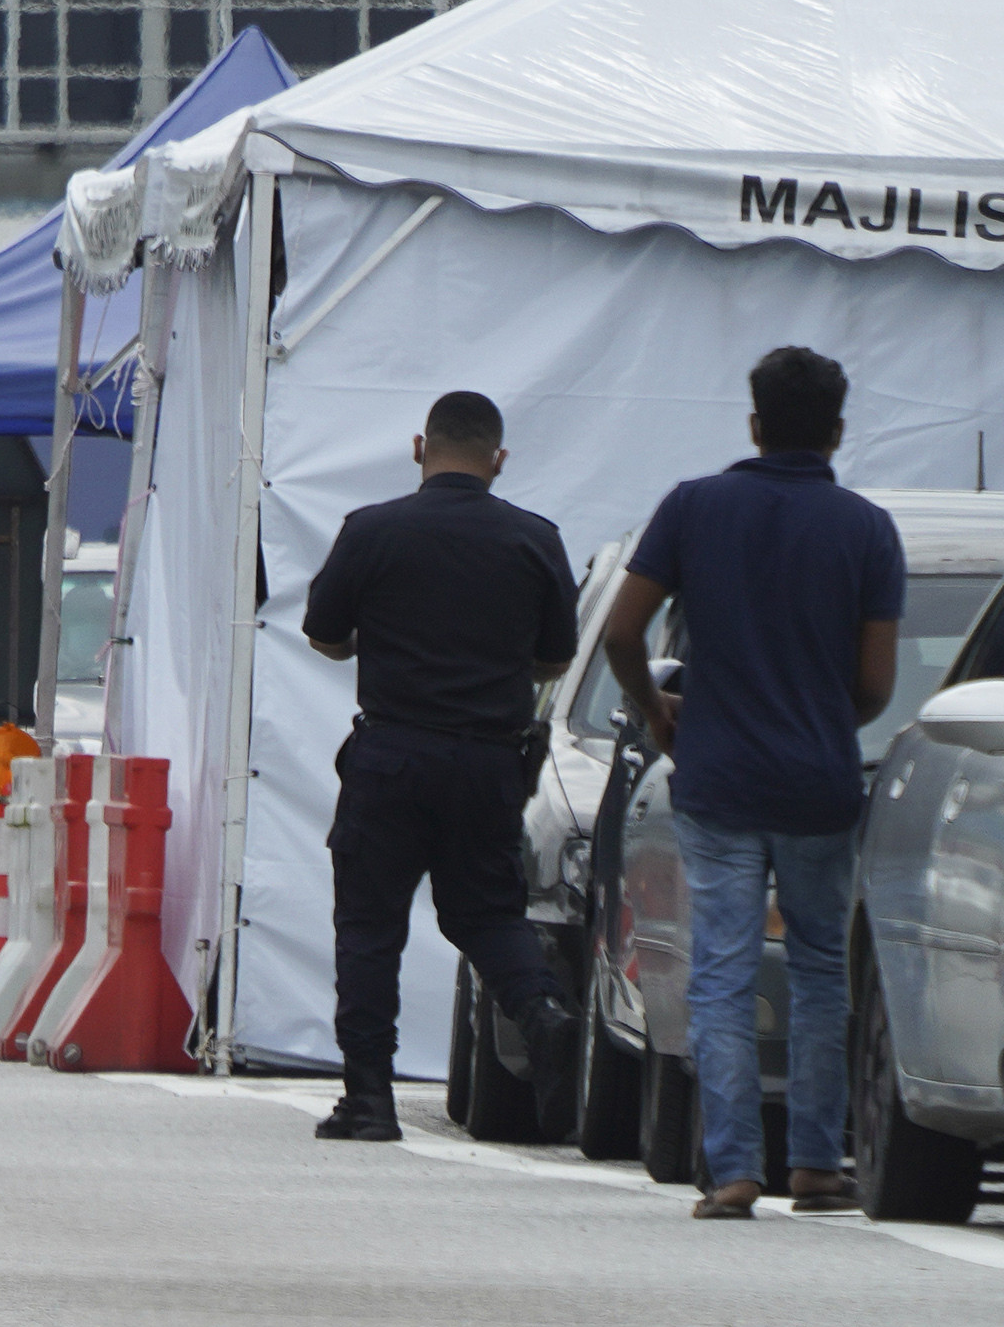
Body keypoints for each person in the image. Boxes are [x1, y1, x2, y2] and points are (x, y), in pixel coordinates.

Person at [605, 344, 906, 1218]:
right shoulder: (866, 529)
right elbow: (877, 685)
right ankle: (815, 1161)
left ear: (754, 424)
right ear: (838, 431)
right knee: (819, 974)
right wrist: (814, 716)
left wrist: (659, 712)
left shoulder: (694, 508)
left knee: (724, 973)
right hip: (819, 784)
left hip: (720, 779)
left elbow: (625, 632)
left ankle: (733, 1169)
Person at [296, 386, 578, 1142]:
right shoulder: (535, 540)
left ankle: (369, 1100)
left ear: (420, 448)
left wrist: (379, 643)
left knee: (369, 923)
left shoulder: (373, 530)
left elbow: (323, 634)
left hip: (392, 756)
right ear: (499, 460)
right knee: (486, 912)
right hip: (489, 762)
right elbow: (555, 657)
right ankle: (543, 1012)